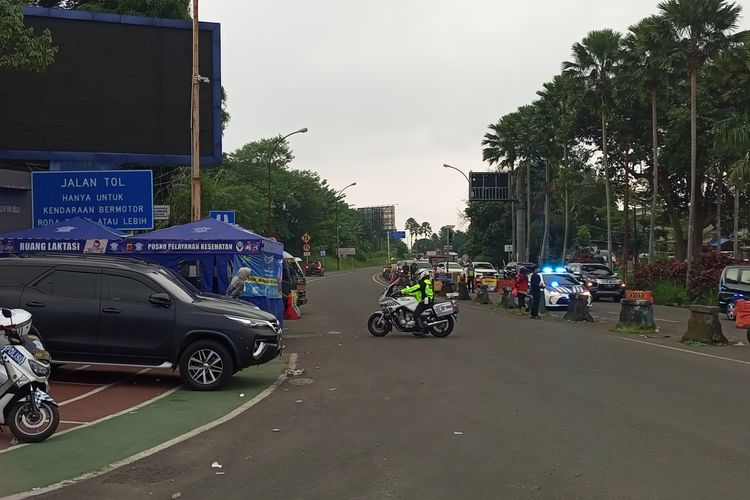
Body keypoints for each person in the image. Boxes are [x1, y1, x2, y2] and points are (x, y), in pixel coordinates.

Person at [400, 269, 434, 334]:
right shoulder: (428, 282)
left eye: (419, 275)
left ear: (423, 274)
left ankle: (421, 330)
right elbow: (418, 292)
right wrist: (408, 293)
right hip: (429, 300)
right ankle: (422, 327)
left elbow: (413, 288)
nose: (418, 276)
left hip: (425, 302)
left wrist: (402, 291)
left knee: (416, 314)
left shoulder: (423, 283)